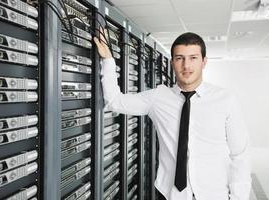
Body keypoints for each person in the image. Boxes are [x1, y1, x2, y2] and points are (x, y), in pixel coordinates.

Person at [94, 30, 251, 200]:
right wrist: (108, 60)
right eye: (179, 58)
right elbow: (115, 101)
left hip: (214, 194)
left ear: (204, 62)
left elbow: (240, 154)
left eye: (193, 58)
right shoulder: (158, 98)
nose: (186, 66)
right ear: (172, 62)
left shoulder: (225, 100)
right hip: (170, 194)